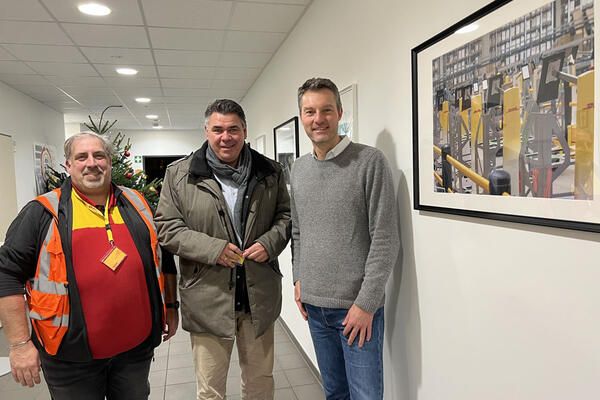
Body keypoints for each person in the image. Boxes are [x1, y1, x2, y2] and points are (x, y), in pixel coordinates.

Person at [0, 132, 178, 400]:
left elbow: (163, 259)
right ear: (68, 165)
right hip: (70, 358)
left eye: (99, 155)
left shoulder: (136, 203)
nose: (91, 163)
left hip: (134, 353)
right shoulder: (43, 212)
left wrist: (172, 308)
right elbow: (6, 275)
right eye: (81, 157)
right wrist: (19, 344)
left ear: (109, 161)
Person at [155, 99, 291, 400]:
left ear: (244, 131)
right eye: (218, 129)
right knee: (211, 389)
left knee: (260, 383)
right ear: (206, 131)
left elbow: (286, 216)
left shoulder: (270, 171)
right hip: (208, 299)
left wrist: (269, 243)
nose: (225, 137)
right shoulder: (179, 174)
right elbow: (166, 228)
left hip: (259, 299)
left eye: (233, 129)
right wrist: (213, 249)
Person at [291, 78, 400, 400]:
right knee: (334, 393)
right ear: (302, 117)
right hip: (314, 306)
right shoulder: (298, 169)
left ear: (339, 112)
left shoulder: (369, 161)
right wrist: (299, 278)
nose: (318, 119)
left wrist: (366, 304)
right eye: (310, 111)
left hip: (356, 310)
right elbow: (298, 230)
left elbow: (385, 237)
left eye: (326, 110)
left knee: (365, 395)